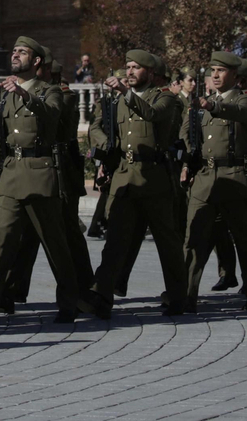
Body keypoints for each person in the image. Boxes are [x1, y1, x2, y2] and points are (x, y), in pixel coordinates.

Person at [79, 49, 186, 318]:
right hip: (126, 175)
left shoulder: (164, 97)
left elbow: (151, 114)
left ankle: (177, 296)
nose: (129, 72)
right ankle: (101, 296)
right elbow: (111, 134)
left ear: (149, 73)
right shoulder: (120, 101)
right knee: (115, 239)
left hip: (154, 177)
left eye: (135, 67)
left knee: (167, 242)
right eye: (127, 67)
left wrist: (125, 94)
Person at [0, 37, 83, 321]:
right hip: (11, 175)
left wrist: (26, 95)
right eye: (14, 51)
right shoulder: (7, 93)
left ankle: (68, 303)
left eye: (22, 52)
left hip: (40, 174)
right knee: (0, 246)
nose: (15, 55)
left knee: (55, 245)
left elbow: (51, 114)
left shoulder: (49, 91)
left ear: (36, 61)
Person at [180, 52, 247, 312]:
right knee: (194, 239)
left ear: (234, 75)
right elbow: (188, 133)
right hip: (206, 178)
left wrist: (212, 107)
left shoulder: (246, 99)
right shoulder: (203, 102)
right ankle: (185, 295)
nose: (215, 75)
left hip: (235, 177)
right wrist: (188, 160)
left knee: (246, 239)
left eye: (221, 71)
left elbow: (240, 113)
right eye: (212, 71)